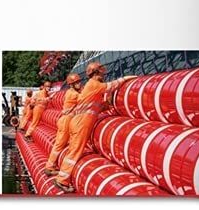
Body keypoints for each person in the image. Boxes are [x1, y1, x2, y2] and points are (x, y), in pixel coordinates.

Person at [51, 62, 135, 192]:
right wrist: (126, 78)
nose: (104, 74)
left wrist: (107, 104)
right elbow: (111, 86)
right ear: (97, 72)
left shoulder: (91, 87)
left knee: (73, 149)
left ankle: (61, 176)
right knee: (75, 151)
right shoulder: (93, 84)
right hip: (81, 122)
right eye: (102, 72)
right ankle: (62, 180)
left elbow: (95, 106)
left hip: (78, 121)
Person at [43, 73, 83, 175]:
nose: (80, 83)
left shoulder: (71, 91)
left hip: (68, 120)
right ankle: (49, 167)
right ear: (71, 85)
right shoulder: (73, 94)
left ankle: (55, 165)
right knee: (59, 144)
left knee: (64, 144)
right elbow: (85, 98)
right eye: (76, 82)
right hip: (66, 121)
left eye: (79, 81)